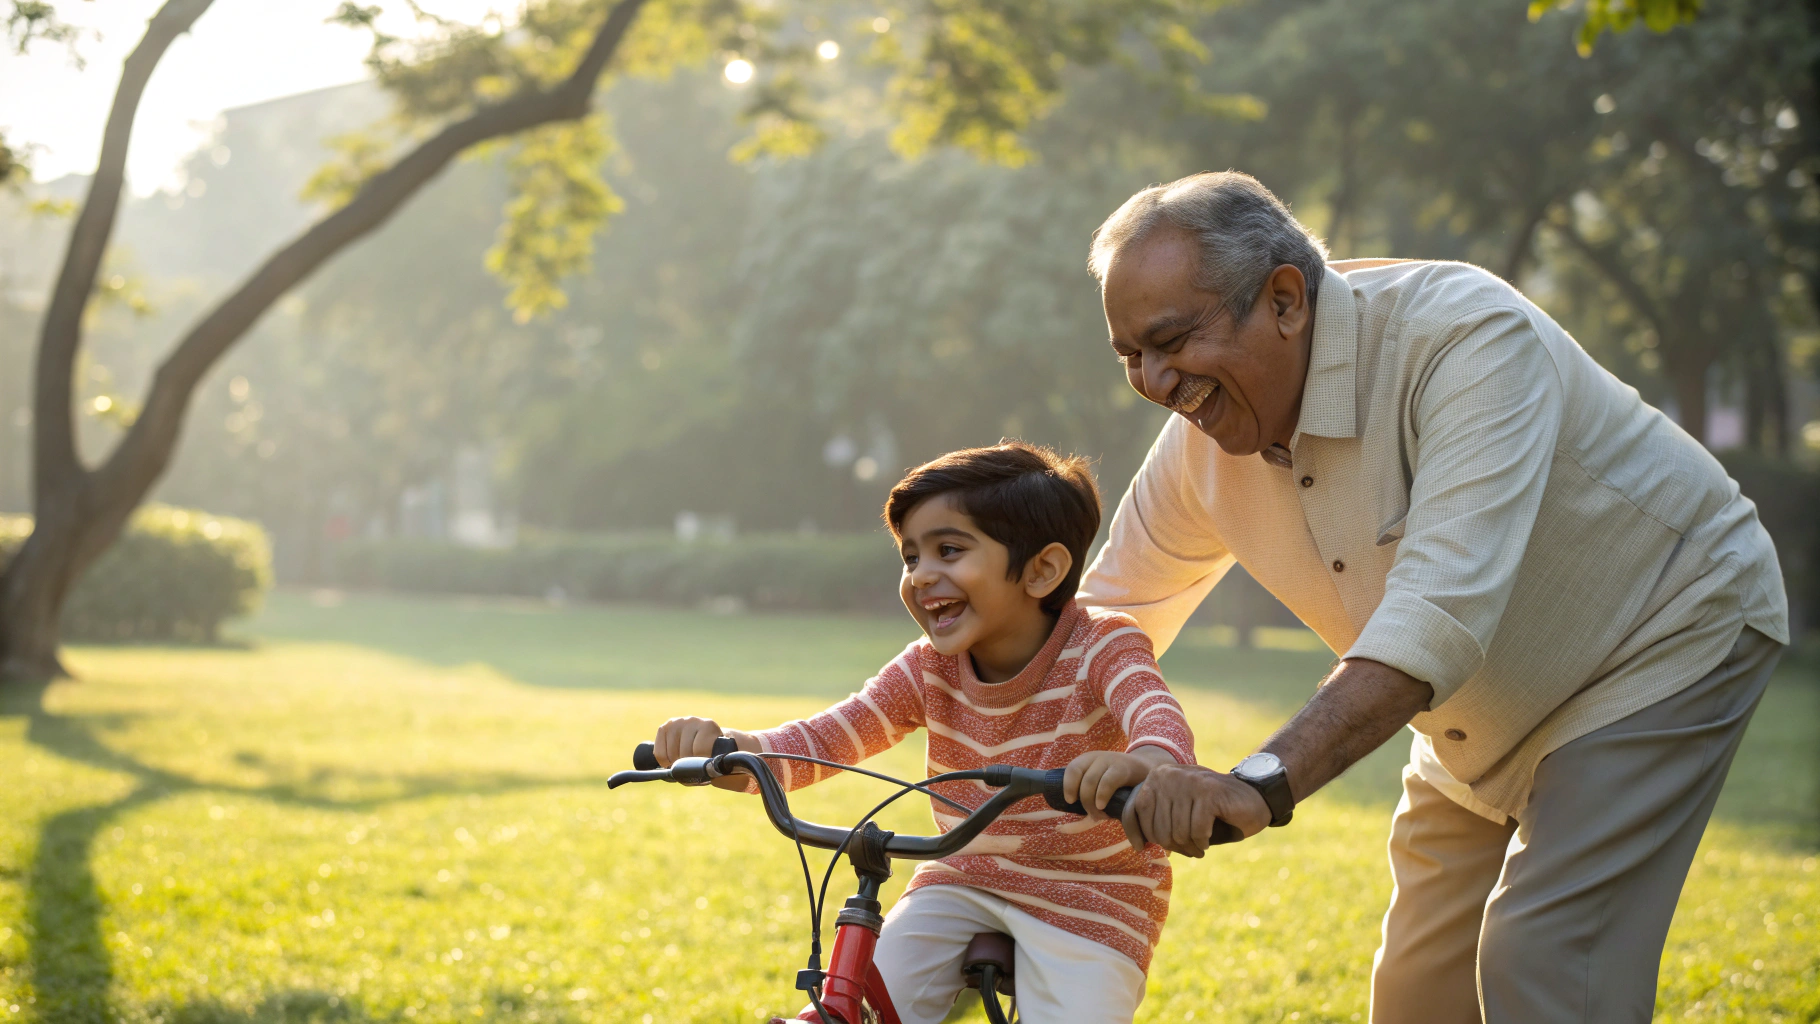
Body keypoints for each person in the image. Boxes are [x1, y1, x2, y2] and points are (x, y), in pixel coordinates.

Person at [1076, 171, 1787, 1023]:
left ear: (1285, 301)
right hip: (1477, 704)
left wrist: (1257, 782)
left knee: (1548, 956)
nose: (1154, 381)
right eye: (1130, 358)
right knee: (1418, 989)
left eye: (1171, 341)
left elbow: (1434, 620)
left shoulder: (1464, 336)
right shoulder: (1199, 446)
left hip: (1660, 632)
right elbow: (1107, 621)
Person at [649, 441, 1196, 1024]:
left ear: (1042, 570)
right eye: (911, 557)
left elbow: (1156, 716)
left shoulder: (1103, 644)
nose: (922, 576)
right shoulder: (928, 667)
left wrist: (1148, 763)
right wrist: (731, 751)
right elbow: (826, 739)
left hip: (1096, 895)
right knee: (865, 1002)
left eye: (950, 550)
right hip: (961, 876)